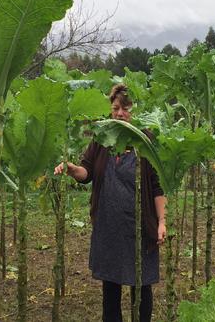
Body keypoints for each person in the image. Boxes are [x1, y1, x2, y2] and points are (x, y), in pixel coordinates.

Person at [54, 83, 166, 322]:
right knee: (110, 291)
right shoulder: (102, 138)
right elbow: (87, 172)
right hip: (109, 228)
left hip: (140, 228)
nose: (120, 113)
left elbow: (157, 186)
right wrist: (73, 169)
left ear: (135, 111)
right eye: (115, 108)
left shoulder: (146, 140)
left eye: (126, 108)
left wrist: (162, 221)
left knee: (142, 288)